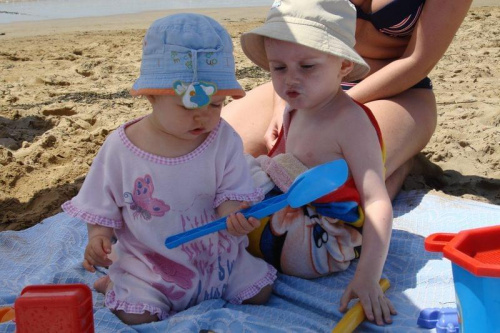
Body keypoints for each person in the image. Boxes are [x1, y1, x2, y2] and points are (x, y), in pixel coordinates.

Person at [62, 13, 276, 325]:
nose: (202, 117)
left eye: (215, 105)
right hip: (150, 263)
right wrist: (98, 237)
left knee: (261, 291)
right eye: (189, 106)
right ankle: (118, 282)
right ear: (151, 94)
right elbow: (100, 204)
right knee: (138, 315)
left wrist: (235, 216)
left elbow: (231, 195)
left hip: (216, 259)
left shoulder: (223, 138)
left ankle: (130, 284)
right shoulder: (121, 148)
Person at [232, 0, 397, 326]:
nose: (290, 80)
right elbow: (287, 168)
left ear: (343, 67)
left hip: (323, 232)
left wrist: (367, 276)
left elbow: (377, 201)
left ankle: (242, 245)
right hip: (292, 205)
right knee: (229, 175)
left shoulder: (350, 122)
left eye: (306, 67)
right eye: (279, 68)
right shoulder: (295, 107)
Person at [223, 0, 472, 200]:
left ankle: (403, 162)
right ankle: (396, 156)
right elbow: (285, 30)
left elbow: (416, 61)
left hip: (398, 92)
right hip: (309, 78)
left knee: (327, 185)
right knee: (218, 151)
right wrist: (284, 105)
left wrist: (333, 104)